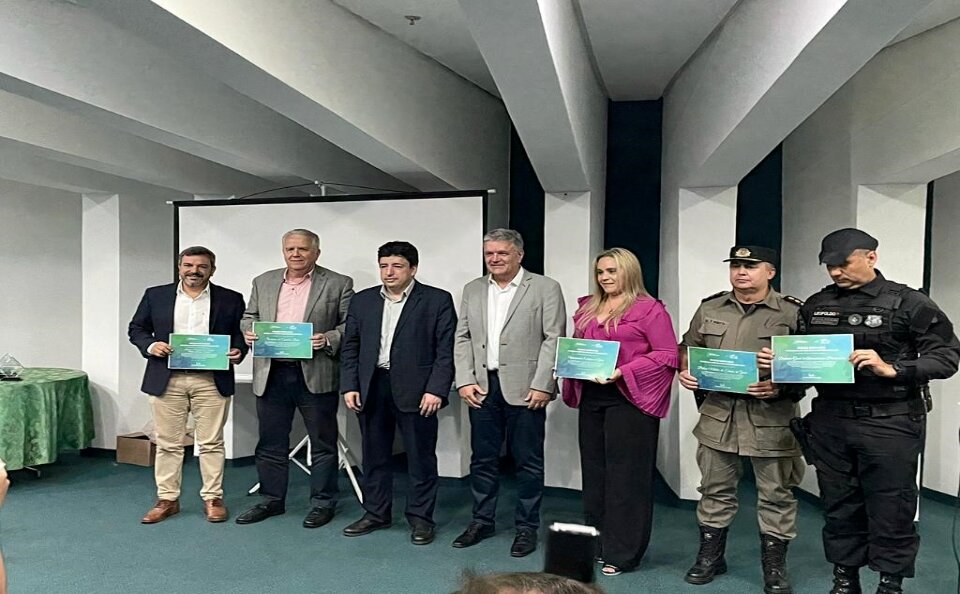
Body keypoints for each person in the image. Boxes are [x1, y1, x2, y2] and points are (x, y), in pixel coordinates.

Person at [770, 228, 960, 594]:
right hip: (831, 420)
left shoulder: (908, 303)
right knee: (839, 505)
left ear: (871, 257)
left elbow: (947, 356)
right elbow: (804, 364)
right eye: (829, 266)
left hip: (890, 421)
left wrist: (894, 368)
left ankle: (890, 584)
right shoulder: (816, 305)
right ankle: (845, 579)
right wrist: (779, 370)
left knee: (892, 506)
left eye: (843, 264)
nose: (835, 272)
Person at [678, 246, 805, 594]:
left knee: (776, 494)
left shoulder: (792, 312)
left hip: (771, 418)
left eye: (751, 265)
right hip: (719, 416)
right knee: (714, 489)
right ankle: (711, 556)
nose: (741, 272)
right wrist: (685, 370)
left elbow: (811, 366)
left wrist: (779, 385)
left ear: (770, 272)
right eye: (736, 265)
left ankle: (774, 566)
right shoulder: (710, 308)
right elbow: (688, 347)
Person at [561, 248, 678, 576]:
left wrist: (624, 371)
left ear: (629, 271)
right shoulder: (587, 307)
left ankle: (623, 552)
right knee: (595, 474)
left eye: (612, 271)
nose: (605, 277)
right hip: (592, 397)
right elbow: (579, 347)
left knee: (627, 478)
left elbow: (668, 354)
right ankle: (598, 543)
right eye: (600, 272)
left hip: (630, 400)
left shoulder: (650, 310)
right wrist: (570, 361)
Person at [452, 228, 566, 557]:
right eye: (489, 253)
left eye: (502, 253)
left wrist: (543, 384)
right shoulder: (473, 289)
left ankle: (526, 528)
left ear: (519, 254)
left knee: (528, 462)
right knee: (482, 459)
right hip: (481, 387)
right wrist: (464, 379)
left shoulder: (545, 287)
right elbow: (462, 337)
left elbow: (554, 338)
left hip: (527, 389)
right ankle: (481, 521)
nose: (495, 259)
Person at [340, 241, 456, 545]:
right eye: (384, 266)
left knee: (420, 457)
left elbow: (446, 351)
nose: (389, 272)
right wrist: (350, 385)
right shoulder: (363, 300)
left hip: (418, 391)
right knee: (374, 455)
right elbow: (351, 346)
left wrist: (436, 389)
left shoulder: (436, 300)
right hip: (372, 386)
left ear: (413, 269)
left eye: (397, 266)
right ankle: (376, 513)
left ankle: (421, 518)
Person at [236, 229, 354, 529]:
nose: (296, 254)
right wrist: (249, 331)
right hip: (271, 372)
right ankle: (271, 500)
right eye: (290, 249)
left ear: (316, 252)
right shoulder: (263, 281)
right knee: (270, 442)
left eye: (303, 249)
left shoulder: (338, 283)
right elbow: (249, 316)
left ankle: (323, 503)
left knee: (322, 443)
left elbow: (350, 325)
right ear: (283, 251)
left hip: (315, 372)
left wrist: (328, 338)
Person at [128, 246, 247, 524]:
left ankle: (213, 498)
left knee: (211, 443)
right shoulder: (155, 295)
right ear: (179, 267)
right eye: (188, 265)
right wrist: (151, 345)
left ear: (212, 270)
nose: (194, 271)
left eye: (202, 266)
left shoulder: (230, 298)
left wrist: (238, 350)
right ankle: (167, 499)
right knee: (168, 443)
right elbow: (137, 329)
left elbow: (240, 335)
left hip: (211, 379)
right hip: (167, 378)